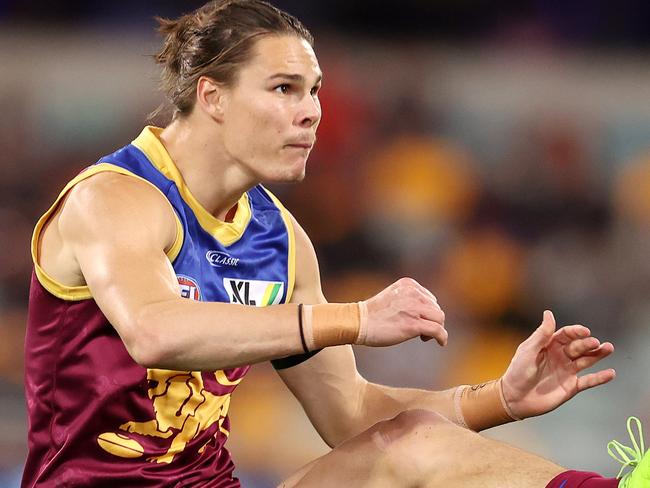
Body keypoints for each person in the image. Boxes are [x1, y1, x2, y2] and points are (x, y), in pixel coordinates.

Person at [22, 1, 649, 487]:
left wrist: (500, 399)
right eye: (284, 88)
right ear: (211, 96)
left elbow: (349, 414)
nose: (313, 111)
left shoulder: (281, 239)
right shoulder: (114, 197)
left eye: (315, 89)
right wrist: (352, 319)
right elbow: (155, 332)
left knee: (413, 442)